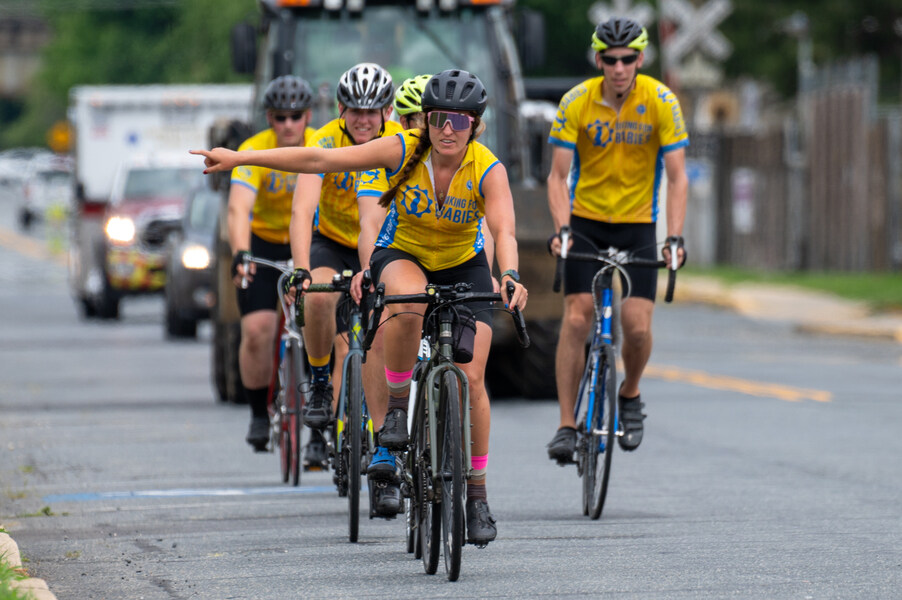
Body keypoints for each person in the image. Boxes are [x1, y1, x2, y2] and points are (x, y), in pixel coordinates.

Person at [192, 69, 528, 547]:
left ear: (475, 124)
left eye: (459, 120)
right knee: (406, 304)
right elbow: (319, 158)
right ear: (424, 122)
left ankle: (476, 495)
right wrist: (239, 158)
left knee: (473, 378)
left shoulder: (488, 167)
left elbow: (504, 228)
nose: (447, 129)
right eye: (437, 119)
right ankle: (393, 412)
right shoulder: (402, 149)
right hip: (404, 254)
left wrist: (510, 274)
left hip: (462, 263)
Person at [545, 17, 688, 463]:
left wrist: (675, 237)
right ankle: (567, 424)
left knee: (639, 326)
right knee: (575, 319)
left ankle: (629, 392)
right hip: (586, 220)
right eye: (610, 59)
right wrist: (562, 229)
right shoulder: (577, 101)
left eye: (628, 59)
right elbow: (557, 175)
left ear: (641, 59)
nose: (620, 67)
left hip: (638, 223)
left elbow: (679, 178)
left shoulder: (662, 101)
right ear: (599, 59)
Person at [286, 62, 402, 471]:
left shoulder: (399, 144)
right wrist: (301, 269)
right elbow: (302, 211)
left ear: (388, 111)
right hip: (332, 242)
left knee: (390, 322)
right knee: (317, 298)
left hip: (384, 246)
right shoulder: (324, 140)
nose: (364, 120)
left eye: (373, 111)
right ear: (340, 108)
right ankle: (319, 383)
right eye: (355, 111)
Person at [227, 75, 316, 452]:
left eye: (296, 116)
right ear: (269, 118)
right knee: (258, 331)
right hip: (263, 244)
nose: (288, 125)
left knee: (321, 324)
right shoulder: (254, 151)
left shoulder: (321, 145)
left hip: (310, 243)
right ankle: (258, 415)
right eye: (280, 117)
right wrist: (241, 253)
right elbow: (238, 208)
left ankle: (321, 415)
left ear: (308, 116)